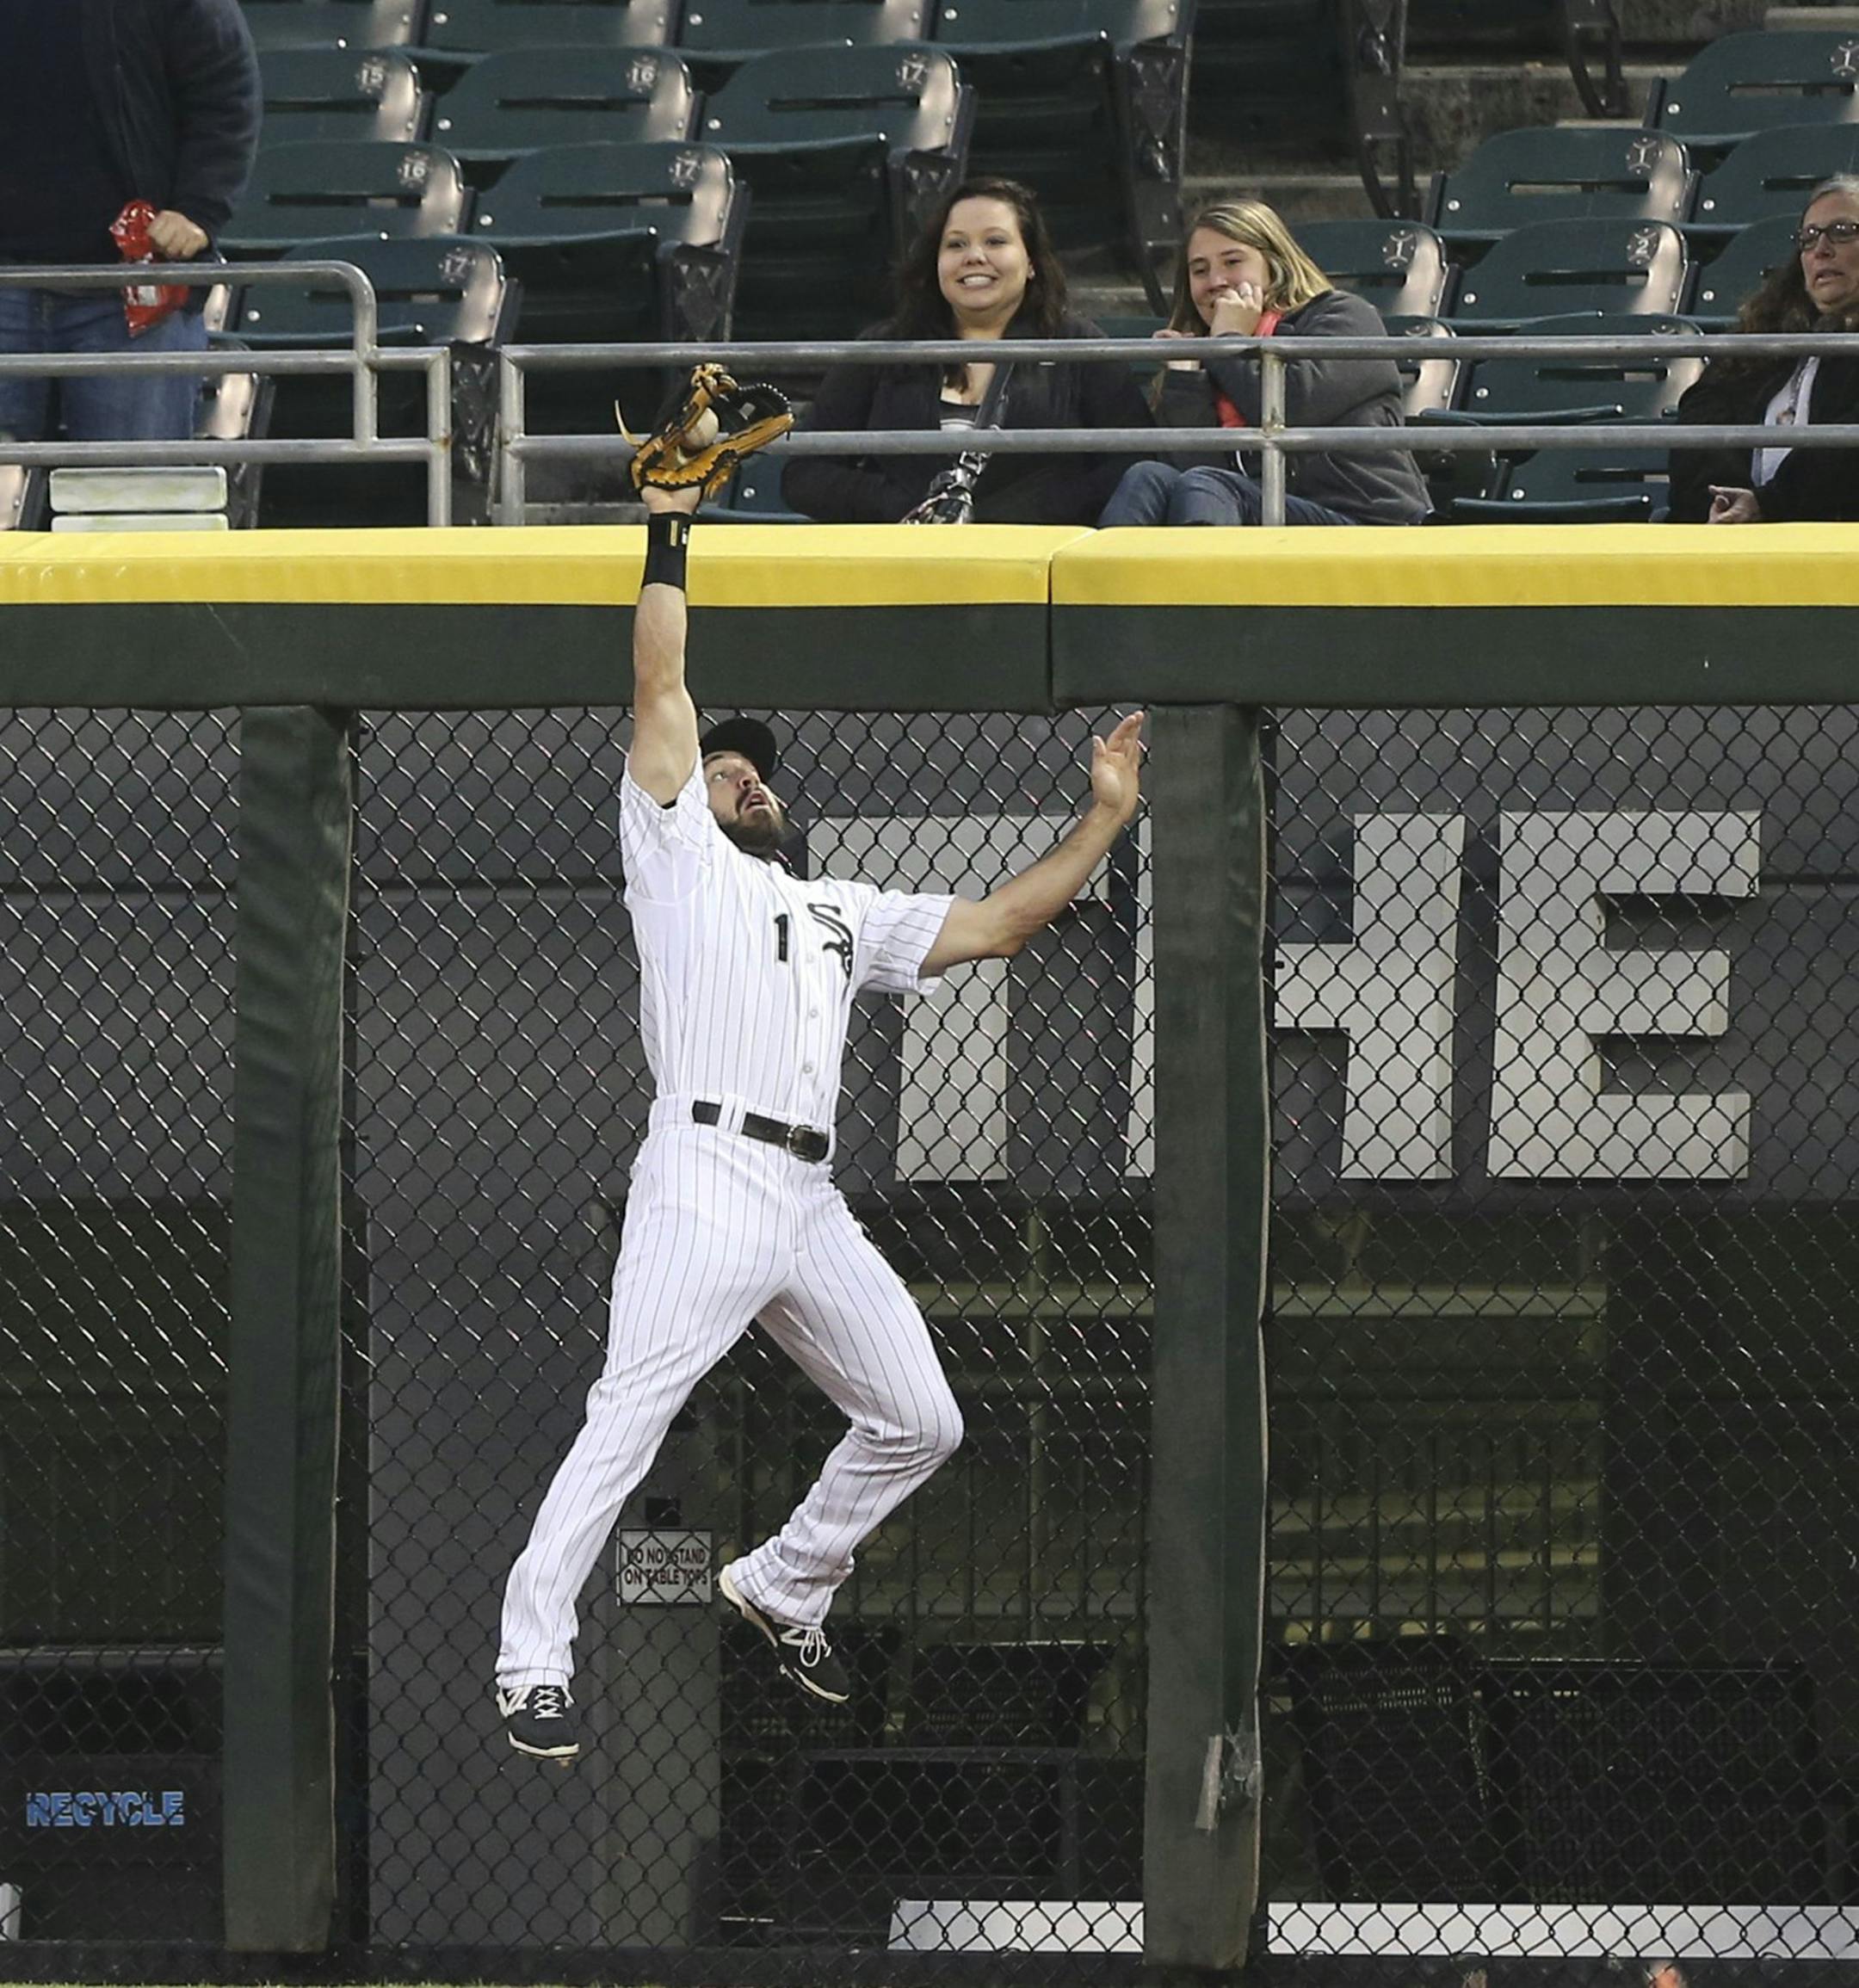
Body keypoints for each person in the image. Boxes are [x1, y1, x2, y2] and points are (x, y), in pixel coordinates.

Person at [494, 479, 1146, 1763]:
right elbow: (662, 686)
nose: (738, 777)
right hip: (702, 1168)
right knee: (629, 1413)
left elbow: (1004, 923)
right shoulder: (676, 857)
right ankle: (532, 1657)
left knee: (922, 1415)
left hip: (805, 1197)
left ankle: (789, 1579)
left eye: (753, 771)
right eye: (722, 767)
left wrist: (1107, 815)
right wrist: (669, 530)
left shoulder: (840, 906)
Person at [781, 176, 1152, 526]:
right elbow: (804, 474)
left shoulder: (1079, 347)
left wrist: (1016, 515)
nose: (973, 256)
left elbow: (1136, 462)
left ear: (1032, 264)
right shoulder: (883, 350)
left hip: (1034, 567)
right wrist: (906, 504)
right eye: (956, 244)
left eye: (995, 242)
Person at [0, 0, 262, 446]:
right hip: (7, 284)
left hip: (134, 285)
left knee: (129, 494)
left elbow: (227, 92)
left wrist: (199, 208)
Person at [1096, 200, 1429, 527]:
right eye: (1200, 270)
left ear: (1275, 264)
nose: (1215, 281)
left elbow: (1289, 410)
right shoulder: (1204, 356)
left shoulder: (1344, 317)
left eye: (1232, 262)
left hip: (1366, 522)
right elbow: (1190, 474)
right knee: (1147, 478)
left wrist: (1229, 340)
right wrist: (1186, 384)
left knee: (1209, 486)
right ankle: (1099, 582)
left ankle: (1203, 582)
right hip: (1259, 511)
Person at [1667, 176, 1859, 523]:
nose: (1821, 250)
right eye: (1809, 237)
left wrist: (1768, 504)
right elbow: (1703, 418)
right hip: (1733, 536)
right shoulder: (1764, 338)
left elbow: (1847, 452)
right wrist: (1722, 500)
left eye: (1843, 231)